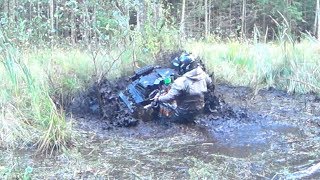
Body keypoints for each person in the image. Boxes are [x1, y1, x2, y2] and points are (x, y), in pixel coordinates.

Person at [154, 52, 213, 123]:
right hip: (200, 109)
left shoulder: (180, 82)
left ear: (183, 67)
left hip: (183, 113)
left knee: (162, 106)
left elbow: (169, 98)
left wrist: (158, 98)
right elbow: (211, 86)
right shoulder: (203, 75)